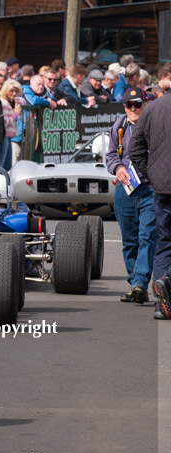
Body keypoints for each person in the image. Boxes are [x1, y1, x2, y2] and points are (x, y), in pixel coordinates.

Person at [104, 87, 155, 310]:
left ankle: (140, 283)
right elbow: (110, 156)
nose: (133, 109)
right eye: (129, 105)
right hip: (125, 189)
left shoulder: (155, 125)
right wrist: (117, 168)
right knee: (129, 240)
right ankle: (134, 282)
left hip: (150, 189)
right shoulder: (120, 126)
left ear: (146, 104)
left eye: (137, 104)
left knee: (147, 236)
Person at [129, 87, 171, 319]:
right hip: (160, 183)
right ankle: (165, 283)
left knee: (164, 242)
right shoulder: (153, 107)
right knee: (163, 241)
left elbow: (135, 148)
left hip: (161, 186)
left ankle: (161, 303)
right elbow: (135, 149)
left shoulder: (152, 107)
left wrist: (152, 174)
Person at [0, 79, 22, 171]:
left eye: (16, 91)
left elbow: (22, 101)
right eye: (11, 91)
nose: (14, 93)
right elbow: (5, 122)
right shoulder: (3, 103)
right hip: (4, 136)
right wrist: (15, 113)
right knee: (2, 163)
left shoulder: (9, 102)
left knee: (7, 165)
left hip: (9, 136)